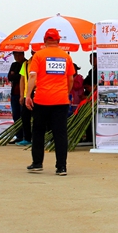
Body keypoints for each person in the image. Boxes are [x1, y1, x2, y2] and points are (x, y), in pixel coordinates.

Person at [25, 28, 74, 176]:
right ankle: (61, 167)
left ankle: (37, 163)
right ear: (58, 40)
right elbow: (70, 79)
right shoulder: (66, 57)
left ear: (45, 40)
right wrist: (65, 92)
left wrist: (28, 95)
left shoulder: (39, 55)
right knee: (60, 134)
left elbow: (32, 76)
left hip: (42, 99)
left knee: (38, 132)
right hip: (61, 100)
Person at [17, 49, 36, 146]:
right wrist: (21, 95)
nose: (34, 53)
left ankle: (38, 138)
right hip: (27, 95)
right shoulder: (26, 64)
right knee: (25, 117)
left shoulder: (43, 62)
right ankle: (27, 138)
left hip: (39, 95)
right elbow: (22, 79)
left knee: (39, 118)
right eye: (33, 51)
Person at [8, 51, 27, 143]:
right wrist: (17, 76)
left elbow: (21, 77)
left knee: (24, 116)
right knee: (16, 116)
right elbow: (9, 77)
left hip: (23, 94)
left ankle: (25, 136)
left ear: (23, 54)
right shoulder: (14, 65)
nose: (17, 57)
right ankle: (19, 136)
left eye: (19, 55)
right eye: (15, 55)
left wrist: (15, 75)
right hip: (14, 94)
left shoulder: (26, 64)